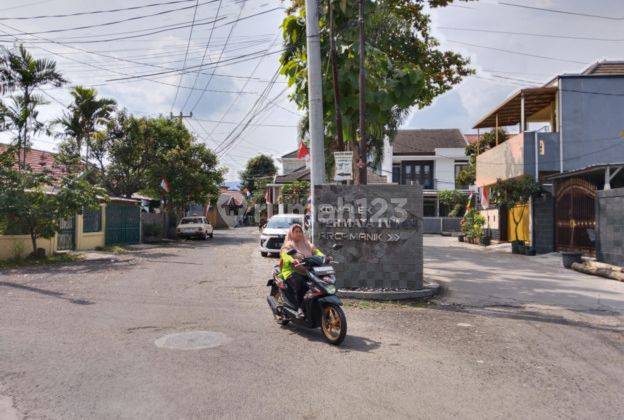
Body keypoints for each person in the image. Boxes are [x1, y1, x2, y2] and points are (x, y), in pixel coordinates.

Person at [280, 224, 324, 318]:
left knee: (319, 283)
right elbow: (285, 255)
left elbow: (316, 251)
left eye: (300, 231)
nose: (299, 234)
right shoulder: (289, 245)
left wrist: (324, 257)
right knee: (301, 284)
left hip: (307, 270)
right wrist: (292, 260)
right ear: (291, 233)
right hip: (291, 271)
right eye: (296, 232)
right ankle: (299, 308)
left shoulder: (306, 243)